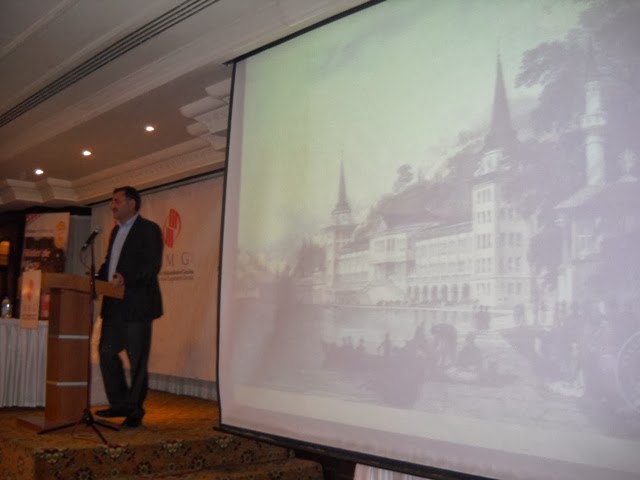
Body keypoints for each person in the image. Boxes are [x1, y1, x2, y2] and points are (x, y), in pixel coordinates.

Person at [95, 186, 163, 428]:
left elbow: (151, 266)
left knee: (137, 359)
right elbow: (110, 264)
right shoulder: (116, 231)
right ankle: (119, 403)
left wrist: (126, 278)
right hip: (113, 304)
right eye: (112, 201)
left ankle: (135, 410)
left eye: (117, 201)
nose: (112, 205)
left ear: (132, 204)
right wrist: (96, 279)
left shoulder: (149, 229)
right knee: (106, 352)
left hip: (137, 305)